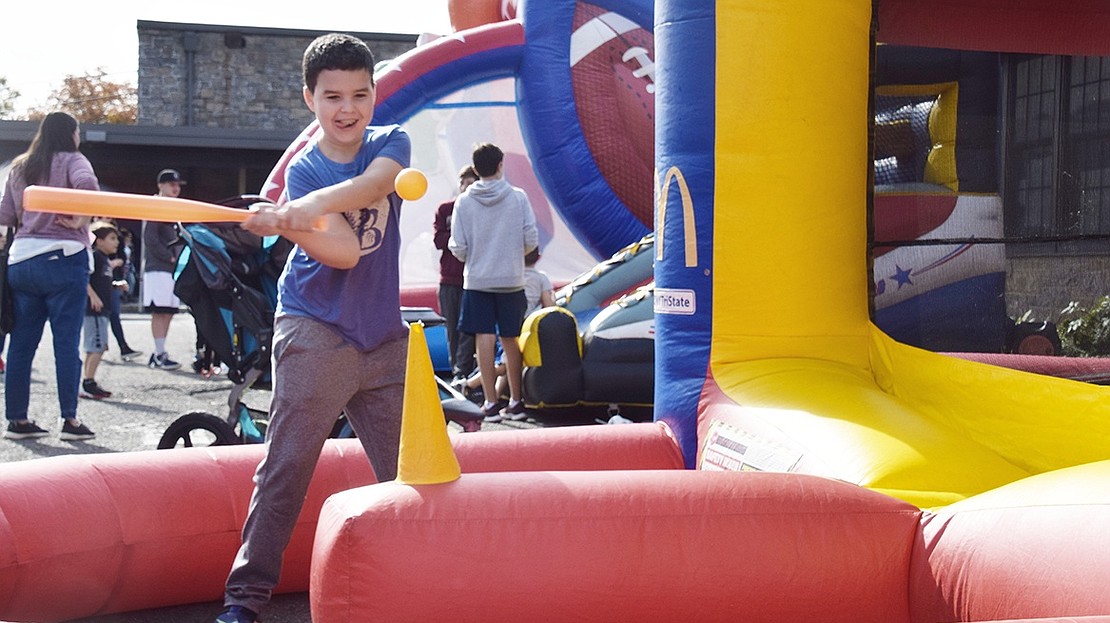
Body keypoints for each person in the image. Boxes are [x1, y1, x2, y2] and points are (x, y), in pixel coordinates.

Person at [215, 33, 412, 623]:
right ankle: (244, 600)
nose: (347, 108)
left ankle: (428, 583)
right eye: (332, 96)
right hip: (315, 330)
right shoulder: (303, 168)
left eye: (359, 93)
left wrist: (302, 208)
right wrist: (292, 221)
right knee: (287, 466)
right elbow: (345, 250)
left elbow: (374, 187)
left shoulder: (391, 141)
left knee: (416, 471)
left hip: (384, 336)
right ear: (310, 99)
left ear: (375, 94)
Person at [0, 111, 97, 441]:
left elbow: (7, 214)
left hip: (22, 260)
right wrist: (81, 219)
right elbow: (89, 189)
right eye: (78, 131)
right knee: (66, 342)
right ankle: (69, 420)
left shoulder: (20, 165)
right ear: (70, 133)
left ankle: (17, 419)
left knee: (21, 344)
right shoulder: (74, 160)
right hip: (63, 257)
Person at [449, 142, 538, 423]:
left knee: (483, 339)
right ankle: (515, 400)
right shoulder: (518, 197)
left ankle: (489, 402)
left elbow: (458, 246)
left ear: (475, 169)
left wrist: (476, 257)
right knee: (511, 338)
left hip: (477, 279)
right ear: (501, 165)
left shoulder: (463, 201)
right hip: (511, 278)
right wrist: (512, 256)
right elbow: (531, 240)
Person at [434, 165, 479, 380]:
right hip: (449, 279)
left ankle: (466, 372)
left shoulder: (482, 210)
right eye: (464, 184)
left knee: (470, 329)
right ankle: (457, 373)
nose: (466, 188)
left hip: (474, 280)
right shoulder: (446, 209)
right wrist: (459, 236)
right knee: (451, 328)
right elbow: (438, 240)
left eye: (471, 184)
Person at [141, 169, 186, 370]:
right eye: (171, 184)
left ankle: (160, 352)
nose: (175, 188)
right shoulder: (156, 205)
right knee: (159, 311)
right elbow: (150, 238)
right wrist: (168, 256)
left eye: (177, 185)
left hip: (172, 267)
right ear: (160, 186)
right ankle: (159, 353)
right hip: (159, 266)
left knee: (168, 311)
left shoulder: (173, 207)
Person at [80, 221, 126, 399]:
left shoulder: (105, 259)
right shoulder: (95, 256)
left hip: (103, 310)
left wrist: (116, 285)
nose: (116, 242)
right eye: (112, 238)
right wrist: (92, 296)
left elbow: (102, 281)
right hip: (95, 311)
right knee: (97, 347)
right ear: (98, 241)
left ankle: (88, 381)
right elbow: (85, 279)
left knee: (94, 348)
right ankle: (88, 383)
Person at [107, 225, 141, 361]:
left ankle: (123, 346)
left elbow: (122, 257)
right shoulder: (91, 237)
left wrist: (117, 262)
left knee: (113, 315)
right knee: (96, 319)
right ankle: (98, 346)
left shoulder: (117, 237)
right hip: (97, 283)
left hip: (114, 280)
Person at [523, 247, 555, 317]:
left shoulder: (512, 277)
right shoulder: (541, 277)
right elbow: (548, 305)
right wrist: (552, 295)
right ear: (539, 257)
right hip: (527, 319)